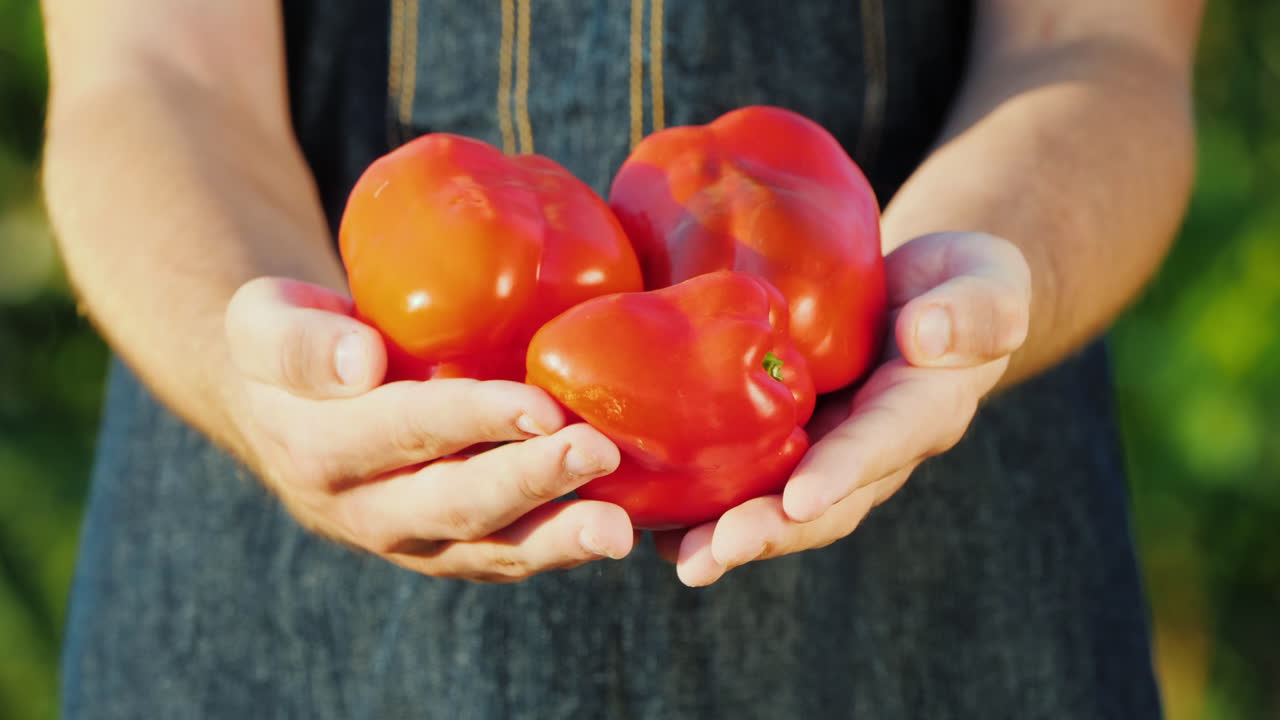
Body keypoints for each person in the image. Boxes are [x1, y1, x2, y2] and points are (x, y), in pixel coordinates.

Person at [42, 0, 1203, 717]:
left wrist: (964, 298)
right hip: (280, 617)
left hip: (944, 587)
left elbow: (1099, 45)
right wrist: (244, 371)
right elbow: (150, 68)